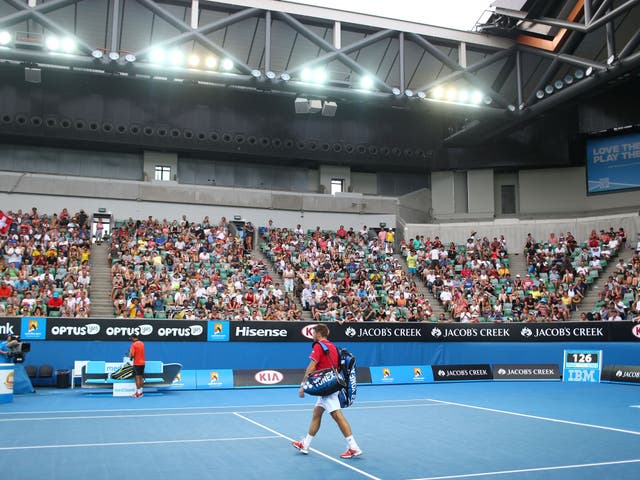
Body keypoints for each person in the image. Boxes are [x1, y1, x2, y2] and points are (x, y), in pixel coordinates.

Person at [292, 324, 362, 459]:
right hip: (331, 384)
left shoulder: (318, 346)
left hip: (326, 389)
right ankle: (305, 444)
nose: (312, 336)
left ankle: (353, 447)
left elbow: (311, 367)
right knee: (317, 413)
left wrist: (303, 385)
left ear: (319, 333)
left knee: (337, 416)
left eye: (313, 333)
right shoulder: (333, 347)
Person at [128, 334, 146, 398]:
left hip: (137, 363)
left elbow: (132, 355)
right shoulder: (142, 343)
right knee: (140, 378)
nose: (131, 340)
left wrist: (130, 356)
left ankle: (138, 394)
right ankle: (140, 392)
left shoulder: (133, 345)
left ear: (133, 338)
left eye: (131, 339)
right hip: (143, 363)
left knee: (137, 378)